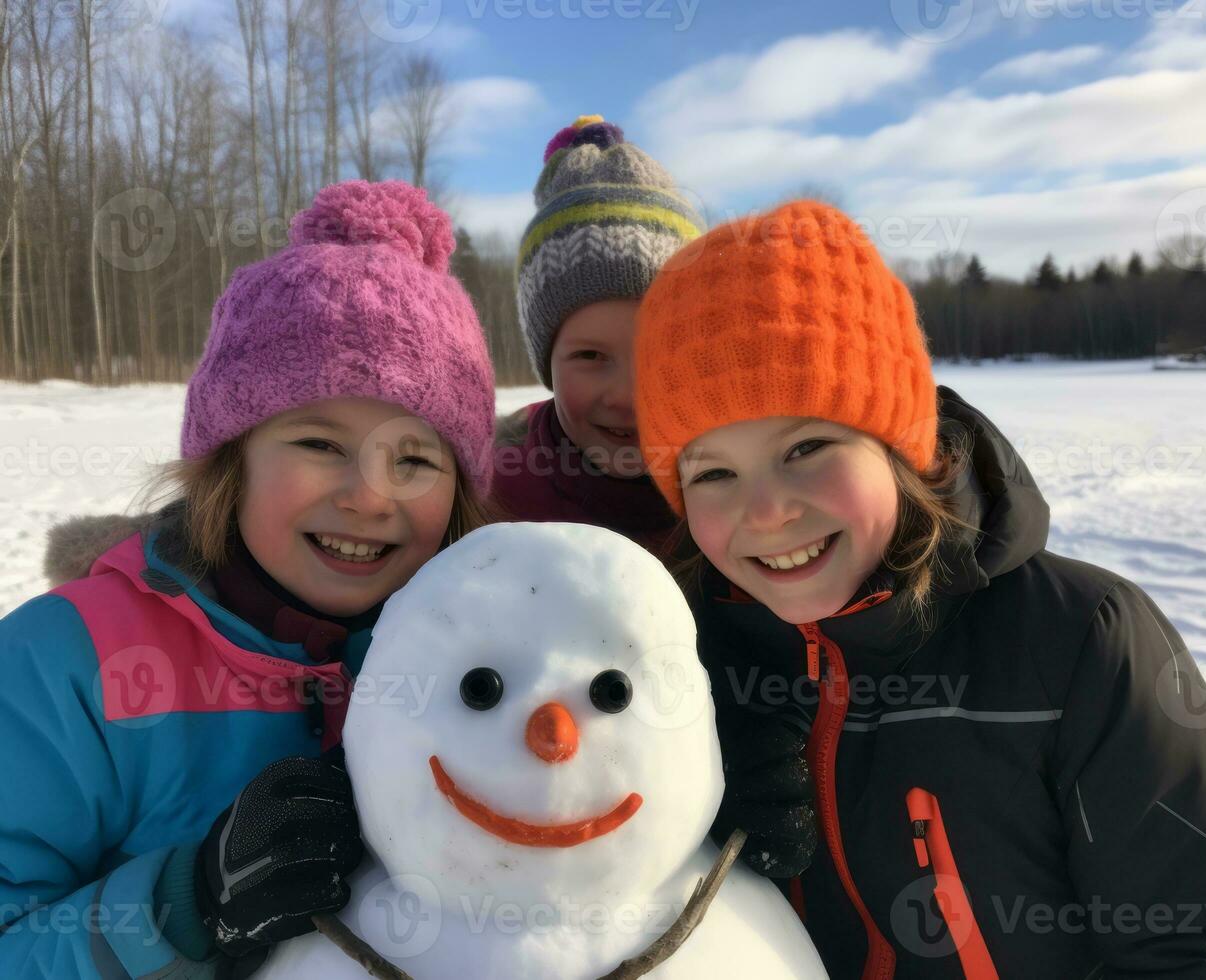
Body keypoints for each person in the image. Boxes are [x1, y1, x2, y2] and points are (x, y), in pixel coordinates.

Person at [632, 199, 1206, 978]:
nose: (766, 511)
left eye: (806, 446)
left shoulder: (1081, 641)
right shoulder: (678, 665)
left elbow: (1197, 954)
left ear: (904, 448)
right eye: (712, 473)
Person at [0, 180, 497, 977]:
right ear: (229, 458)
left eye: (414, 459)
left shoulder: (487, 656)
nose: (368, 495)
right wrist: (186, 903)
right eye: (319, 443)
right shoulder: (63, 664)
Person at [491, 114, 706, 554]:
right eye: (590, 356)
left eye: (656, 355)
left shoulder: (748, 481)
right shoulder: (492, 494)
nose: (626, 397)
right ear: (546, 361)